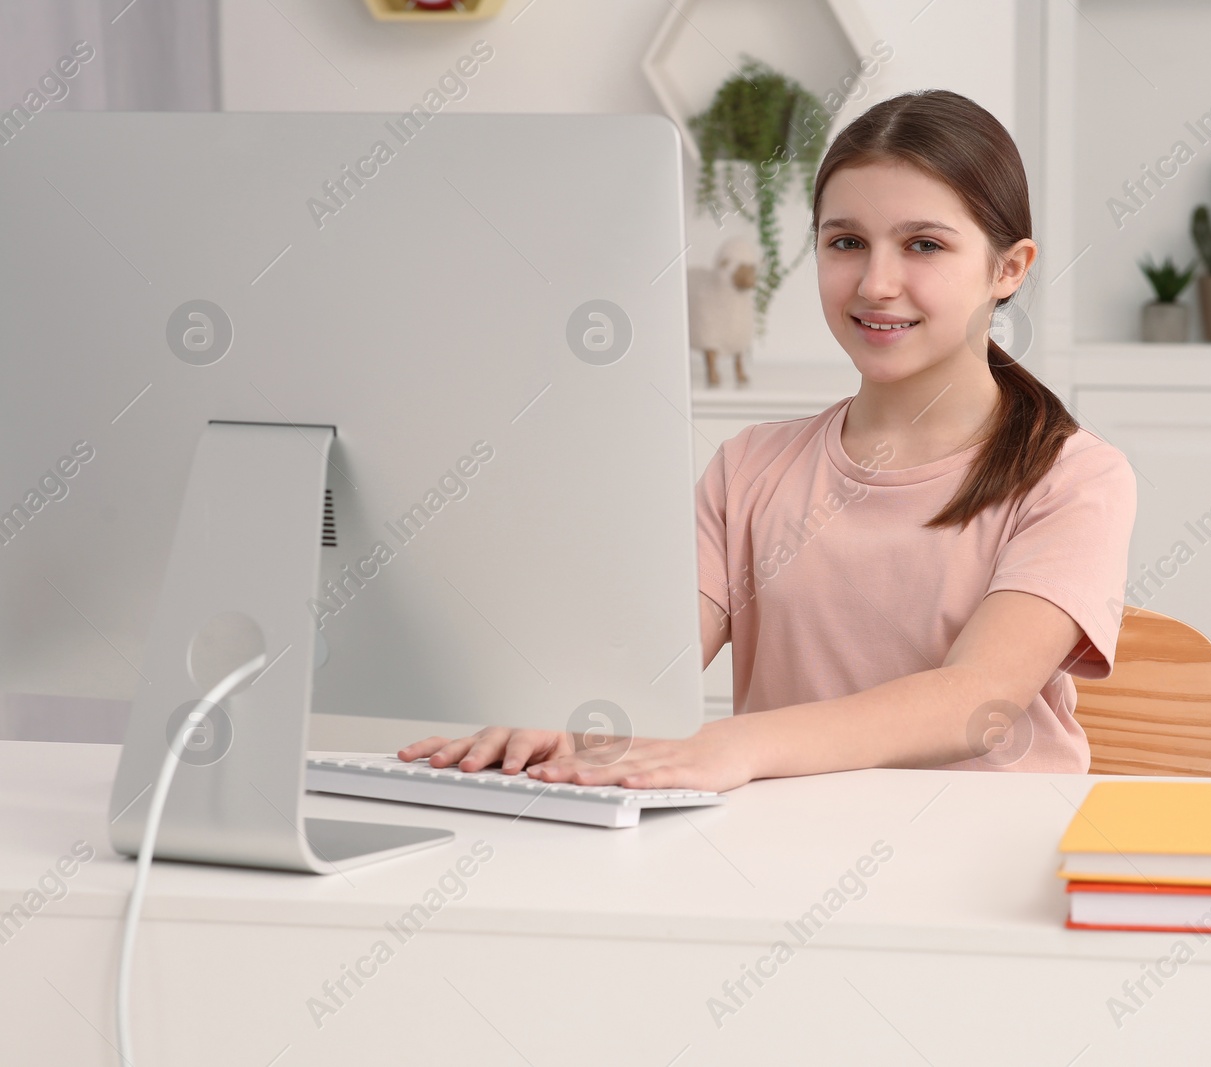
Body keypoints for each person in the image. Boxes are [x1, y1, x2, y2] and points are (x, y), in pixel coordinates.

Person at [400, 89, 1136, 791]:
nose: (876, 282)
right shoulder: (749, 467)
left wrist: (736, 742)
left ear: (1009, 268)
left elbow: (973, 701)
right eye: (846, 241)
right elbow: (647, 661)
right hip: (782, 856)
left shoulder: (1076, 478)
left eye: (923, 245)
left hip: (986, 865)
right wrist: (563, 718)